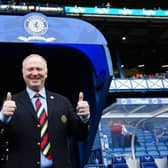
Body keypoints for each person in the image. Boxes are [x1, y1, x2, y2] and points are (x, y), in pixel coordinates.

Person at [0, 53, 90, 168]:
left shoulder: (62, 101)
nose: (35, 73)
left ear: (46, 73)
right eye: (30, 69)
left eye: (39, 69)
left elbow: (80, 135)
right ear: (23, 73)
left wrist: (84, 118)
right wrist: (3, 118)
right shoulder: (9, 103)